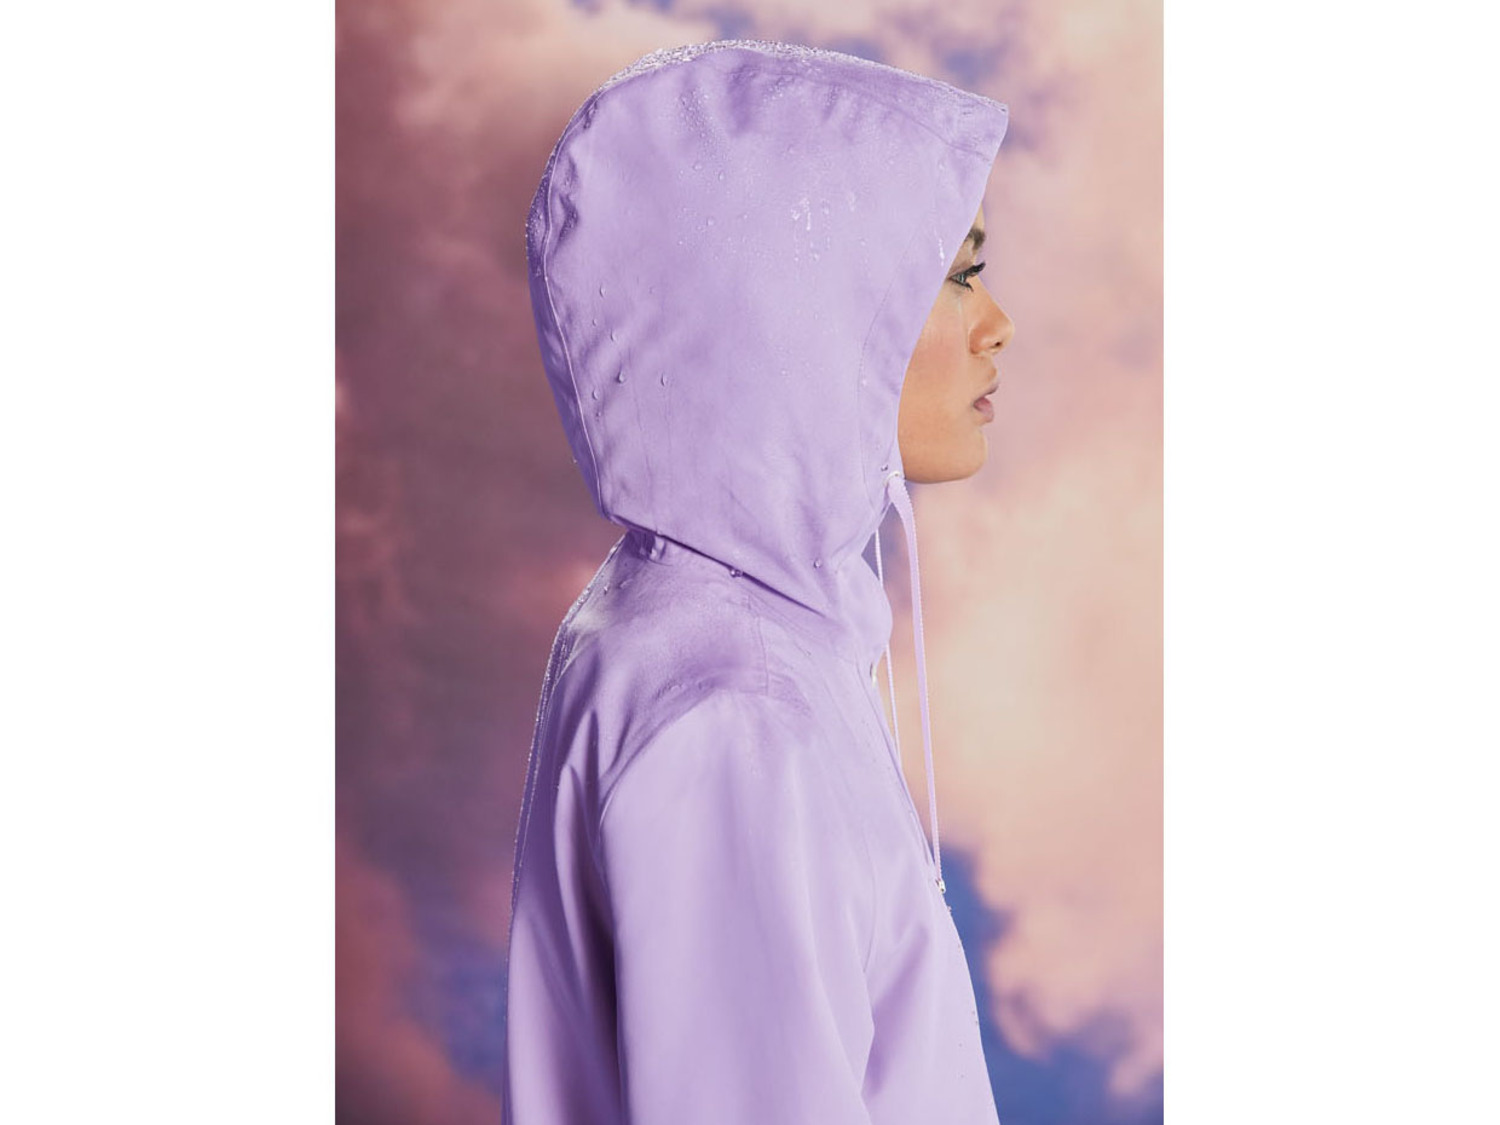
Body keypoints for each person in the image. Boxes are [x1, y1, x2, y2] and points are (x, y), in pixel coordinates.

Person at [503, 38, 1015, 1124]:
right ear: (803, 316)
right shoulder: (739, 717)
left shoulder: (695, 615)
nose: (997, 326)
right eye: (959, 274)